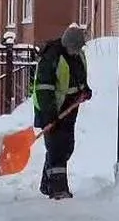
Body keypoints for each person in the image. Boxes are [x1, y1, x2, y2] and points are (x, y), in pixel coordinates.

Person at [33, 23, 93, 199]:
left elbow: (79, 76)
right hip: (50, 108)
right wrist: (49, 115)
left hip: (69, 108)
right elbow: (44, 89)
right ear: (68, 45)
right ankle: (58, 189)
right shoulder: (51, 57)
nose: (78, 51)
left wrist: (84, 89)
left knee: (66, 147)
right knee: (56, 147)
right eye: (75, 48)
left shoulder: (78, 55)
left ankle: (47, 184)